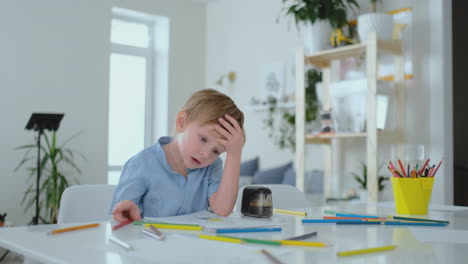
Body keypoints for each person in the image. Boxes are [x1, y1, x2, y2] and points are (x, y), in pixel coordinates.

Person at [110, 89, 245, 223]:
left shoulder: (212, 166)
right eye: (203, 139)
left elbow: (222, 210)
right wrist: (128, 212)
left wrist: (234, 153)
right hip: (151, 241)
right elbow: (118, 217)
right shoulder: (142, 163)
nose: (206, 154)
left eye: (216, 151)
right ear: (181, 123)